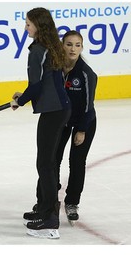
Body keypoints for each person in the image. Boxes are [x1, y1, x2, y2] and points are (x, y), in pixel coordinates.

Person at [10, 7, 71, 239]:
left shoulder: (37, 50)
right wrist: (23, 97)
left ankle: (49, 220)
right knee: (48, 162)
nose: (25, 27)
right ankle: (45, 209)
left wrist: (20, 101)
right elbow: (43, 83)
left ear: (39, 25)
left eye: (28, 24)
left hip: (53, 111)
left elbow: (35, 85)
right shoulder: (51, 46)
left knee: (45, 163)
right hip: (59, 109)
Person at [56, 30, 97, 223]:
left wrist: (81, 130)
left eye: (77, 45)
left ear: (82, 48)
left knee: (77, 161)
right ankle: (49, 198)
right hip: (62, 120)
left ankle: (72, 202)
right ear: (62, 45)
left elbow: (88, 106)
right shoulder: (56, 68)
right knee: (52, 159)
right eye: (69, 44)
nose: (73, 49)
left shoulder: (86, 74)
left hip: (84, 121)